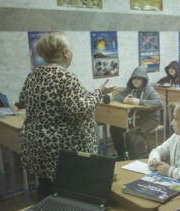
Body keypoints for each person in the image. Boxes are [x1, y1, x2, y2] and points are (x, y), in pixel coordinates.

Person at [19, 32, 115, 201]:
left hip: (38, 145)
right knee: (69, 193)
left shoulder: (33, 75)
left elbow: (23, 100)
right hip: (62, 149)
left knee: (46, 185)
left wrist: (92, 93)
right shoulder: (65, 77)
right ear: (65, 53)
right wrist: (99, 93)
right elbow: (80, 111)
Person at [110, 66, 162, 161]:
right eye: (134, 78)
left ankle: (134, 158)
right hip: (136, 117)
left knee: (132, 133)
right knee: (114, 128)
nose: (136, 81)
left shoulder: (149, 89)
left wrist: (139, 102)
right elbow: (117, 97)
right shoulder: (130, 88)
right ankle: (122, 155)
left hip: (150, 119)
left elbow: (159, 103)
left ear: (144, 79)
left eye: (139, 78)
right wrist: (123, 99)